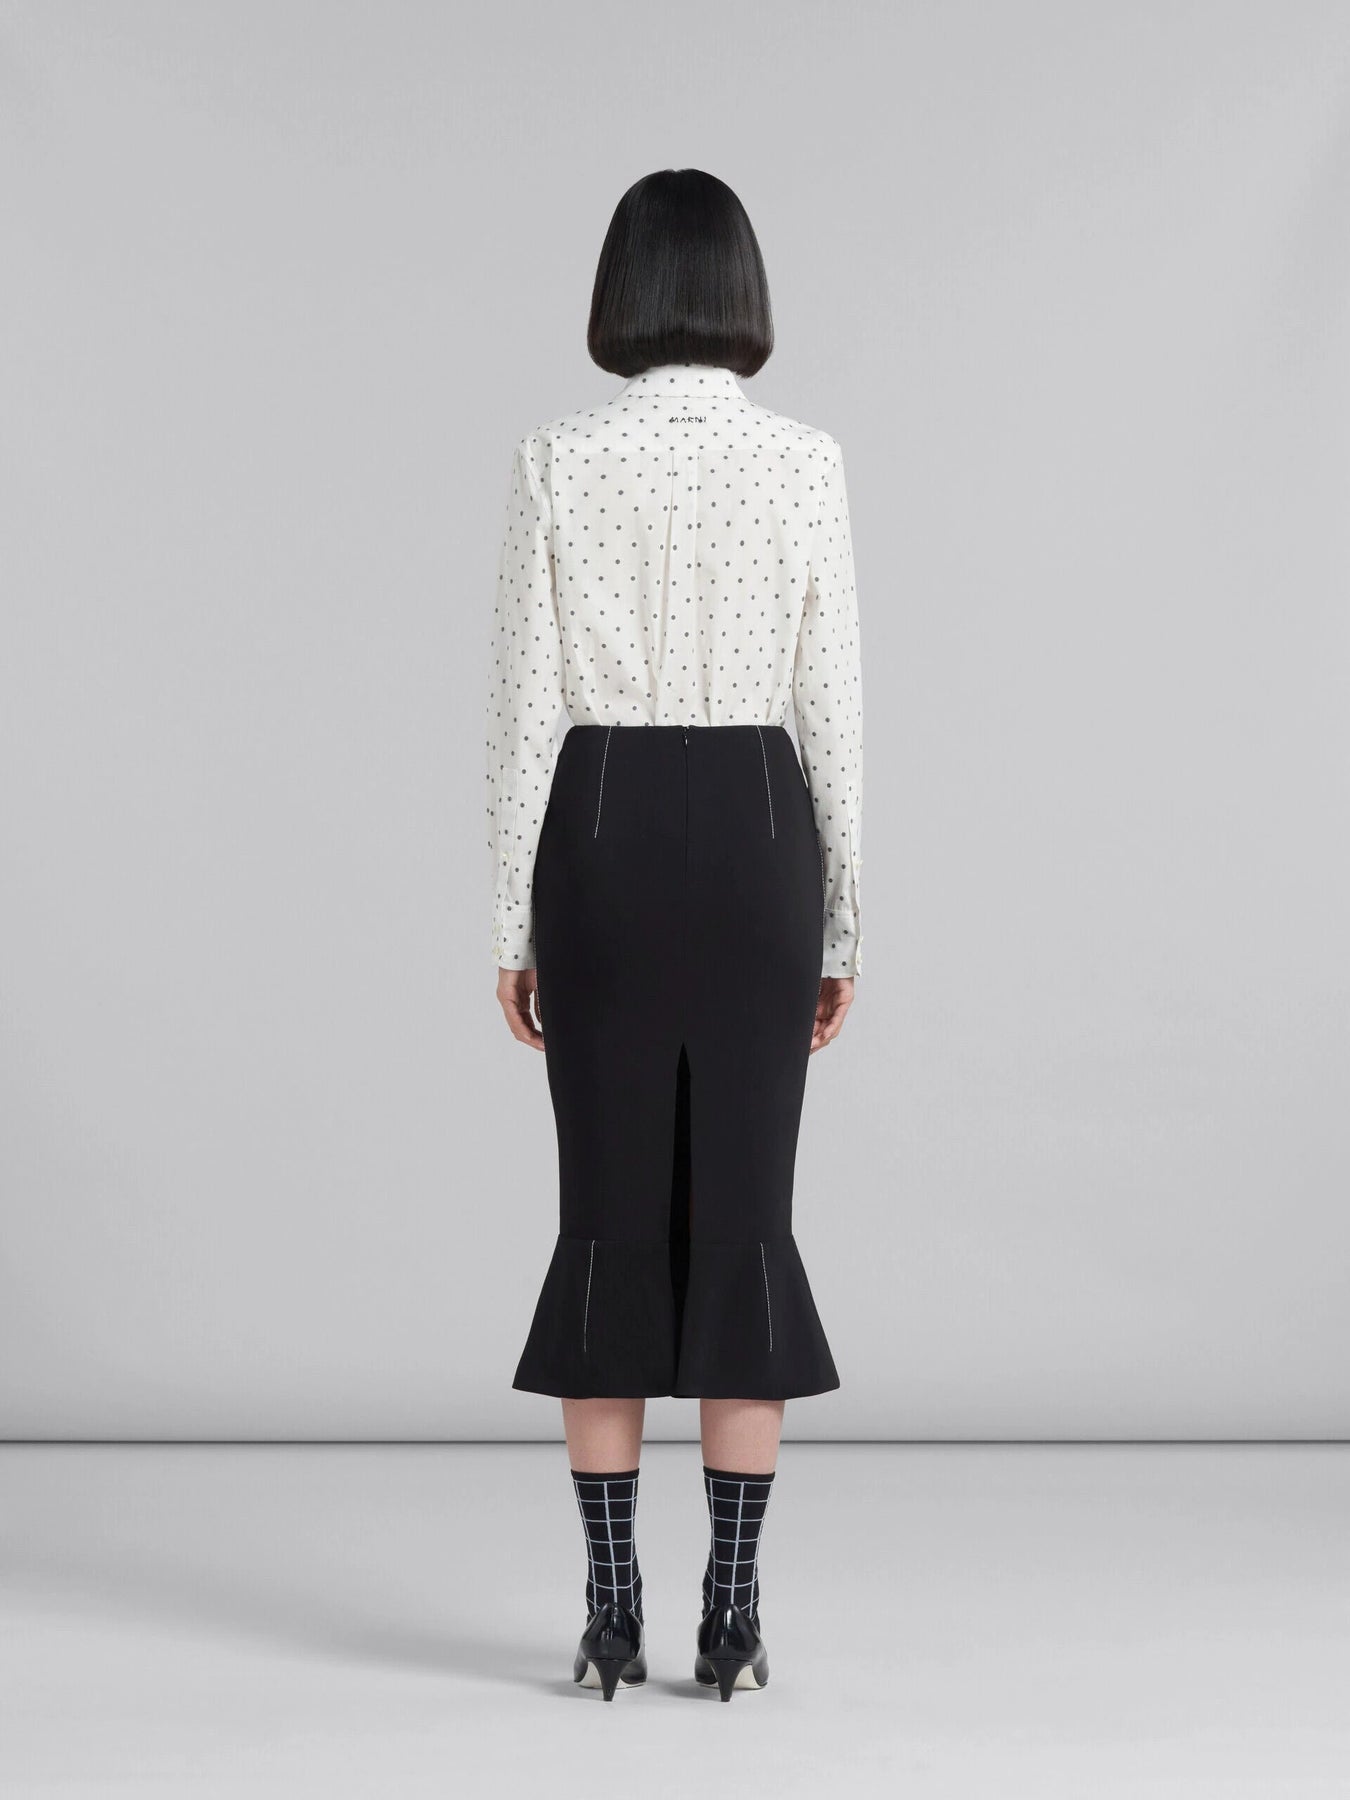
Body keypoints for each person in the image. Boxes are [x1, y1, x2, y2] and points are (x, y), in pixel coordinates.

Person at [485, 167, 863, 1702]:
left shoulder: (555, 458)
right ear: (742, 293)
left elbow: (524, 704)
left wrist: (508, 915)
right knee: (747, 1224)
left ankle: (607, 1608)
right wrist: (843, 921)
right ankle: (732, 1613)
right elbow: (831, 703)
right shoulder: (806, 462)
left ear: (621, 293)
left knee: (605, 1218)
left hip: (601, 826)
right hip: (763, 827)